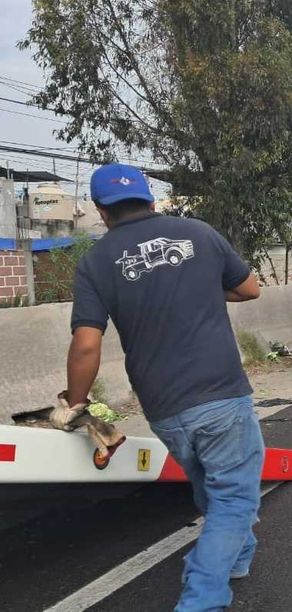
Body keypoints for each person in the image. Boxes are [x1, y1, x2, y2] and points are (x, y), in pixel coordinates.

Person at [60, 163, 264, 611]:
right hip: (221, 391)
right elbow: (250, 289)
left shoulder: (95, 262)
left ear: (101, 210)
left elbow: (86, 344)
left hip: (164, 405)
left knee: (211, 486)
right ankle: (201, 598)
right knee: (233, 498)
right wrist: (206, 288)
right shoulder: (199, 233)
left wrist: (75, 405)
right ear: (149, 198)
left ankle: (237, 556)